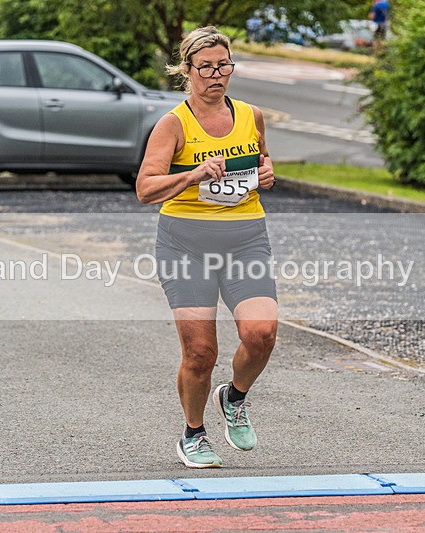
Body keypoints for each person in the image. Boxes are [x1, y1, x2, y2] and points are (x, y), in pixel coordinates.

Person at [137, 26, 278, 468]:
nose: (216, 75)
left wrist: (267, 173)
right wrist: (193, 176)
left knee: (262, 334)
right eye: (205, 68)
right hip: (185, 244)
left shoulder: (252, 115)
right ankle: (193, 434)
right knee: (201, 352)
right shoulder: (172, 124)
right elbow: (145, 188)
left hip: (245, 240)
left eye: (223, 66)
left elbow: (261, 160)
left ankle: (234, 398)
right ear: (187, 71)